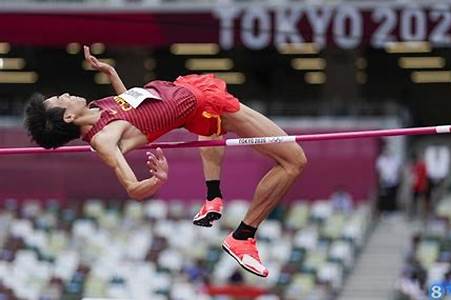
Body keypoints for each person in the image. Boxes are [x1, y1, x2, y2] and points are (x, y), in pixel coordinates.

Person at [24, 46, 307, 278]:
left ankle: (213, 198)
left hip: (191, 93)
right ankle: (243, 237)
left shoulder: (98, 108)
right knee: (293, 161)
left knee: (217, 133)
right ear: (67, 117)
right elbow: (133, 189)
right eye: (60, 99)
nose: (66, 94)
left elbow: (131, 105)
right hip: (205, 105)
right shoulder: (104, 139)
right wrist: (157, 180)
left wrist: (111, 72)